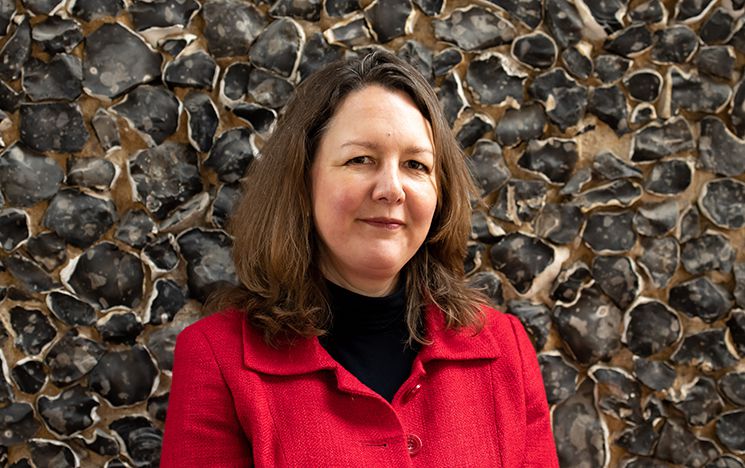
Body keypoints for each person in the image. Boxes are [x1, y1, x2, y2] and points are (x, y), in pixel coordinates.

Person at [160, 51, 558, 467]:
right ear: (303, 180)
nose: (392, 188)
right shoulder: (216, 358)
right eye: (360, 160)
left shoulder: (504, 348)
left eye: (415, 165)